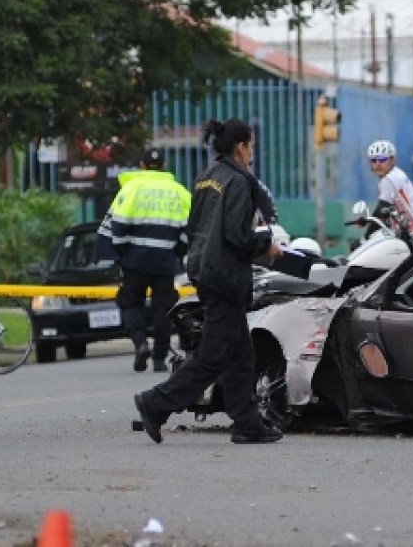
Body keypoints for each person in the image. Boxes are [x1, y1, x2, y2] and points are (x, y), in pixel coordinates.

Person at [134, 118, 284, 445]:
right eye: (251, 147)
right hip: (225, 277)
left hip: (204, 270)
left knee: (241, 355)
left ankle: (247, 423)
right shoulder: (239, 182)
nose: (251, 154)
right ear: (240, 147)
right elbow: (236, 235)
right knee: (213, 357)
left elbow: (196, 228)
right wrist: (265, 245)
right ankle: (155, 403)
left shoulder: (205, 179)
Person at [98, 147, 192, 372]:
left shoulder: (131, 189)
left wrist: (122, 253)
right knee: (164, 309)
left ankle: (140, 345)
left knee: (130, 303)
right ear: (164, 167)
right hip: (165, 262)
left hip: (135, 261)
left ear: (141, 165)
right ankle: (160, 359)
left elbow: (117, 225)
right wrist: (176, 252)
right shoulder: (179, 191)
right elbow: (190, 228)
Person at [366, 140, 413, 238]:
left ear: (392, 161)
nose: (378, 163)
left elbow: (381, 212)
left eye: (382, 159)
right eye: (374, 160)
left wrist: (365, 238)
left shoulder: (391, 178)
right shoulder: (395, 175)